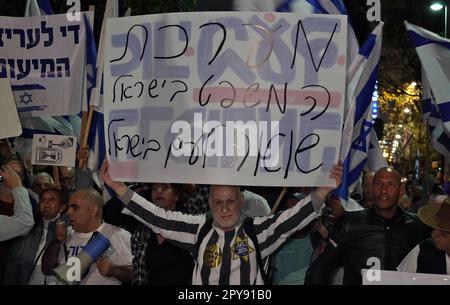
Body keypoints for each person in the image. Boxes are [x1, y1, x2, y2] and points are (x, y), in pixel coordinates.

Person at [101, 159, 343, 285]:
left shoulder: (257, 231)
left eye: (230, 201)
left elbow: (295, 217)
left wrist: (322, 190)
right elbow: (157, 217)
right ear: (209, 203)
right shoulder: (198, 229)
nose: (224, 209)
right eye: (218, 202)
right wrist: (118, 187)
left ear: (241, 201)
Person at [305, 167, 429, 285]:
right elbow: (321, 268)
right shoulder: (349, 223)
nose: (383, 190)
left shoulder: (417, 226)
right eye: (378, 184)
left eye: (390, 184)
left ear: (401, 190)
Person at [41, 189, 133, 285]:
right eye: (69, 207)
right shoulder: (65, 233)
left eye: (75, 208)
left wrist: (114, 271)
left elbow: (136, 276)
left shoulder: (117, 235)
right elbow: (46, 270)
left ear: (93, 211)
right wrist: (55, 241)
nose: (68, 212)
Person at [131, 183, 194, 285]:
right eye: (154, 188)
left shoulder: (189, 226)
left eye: (165, 187)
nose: (158, 191)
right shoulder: (142, 232)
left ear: (176, 196)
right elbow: (139, 275)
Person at [3, 188, 67, 284]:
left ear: (62, 207)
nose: (46, 202)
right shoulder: (28, 232)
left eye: (52, 199)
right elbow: (12, 268)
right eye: (42, 200)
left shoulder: (70, 229)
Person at [397, 198, 450, 274]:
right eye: (434, 228)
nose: (433, 234)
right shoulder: (424, 250)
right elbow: (400, 280)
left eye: (443, 233)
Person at [0, 164, 34, 242]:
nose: (11, 177)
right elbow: (25, 222)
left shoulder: (31, 203)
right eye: (8, 173)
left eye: (17, 175)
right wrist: (17, 186)